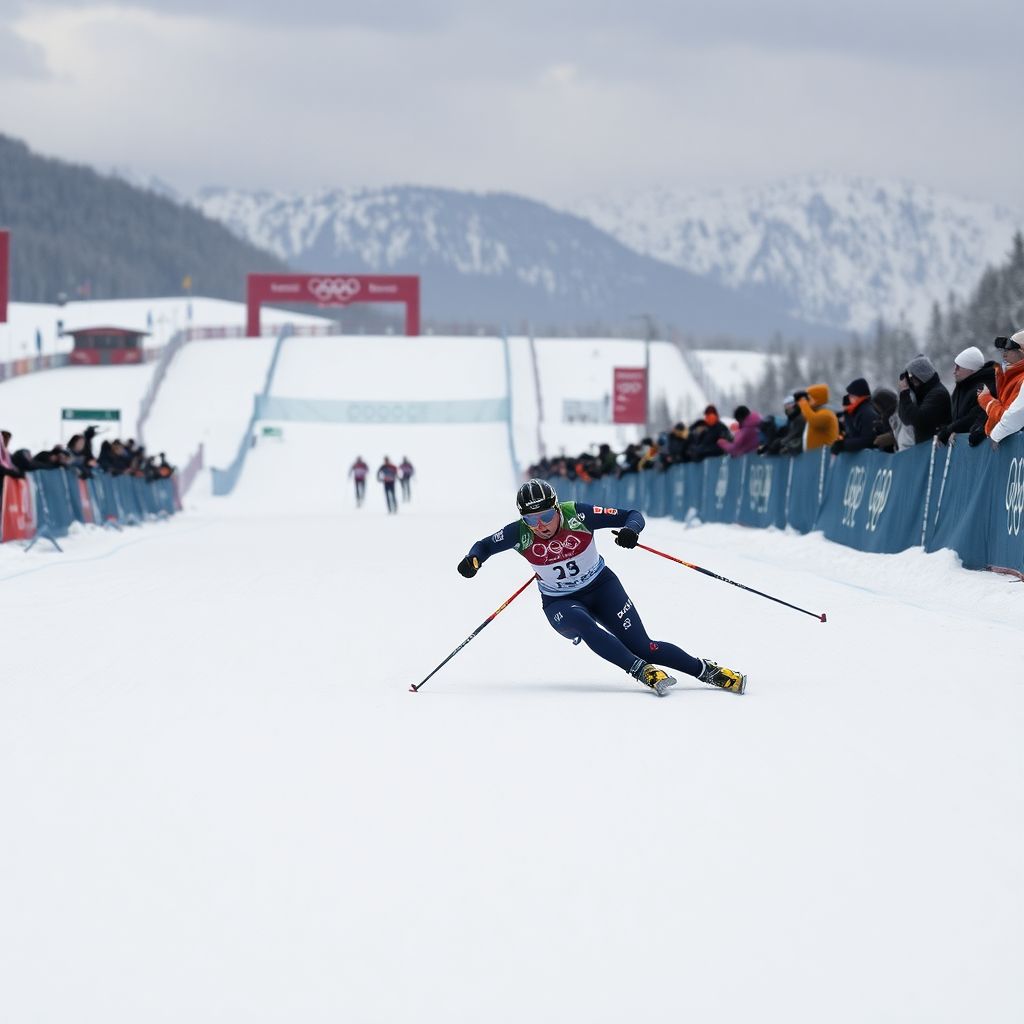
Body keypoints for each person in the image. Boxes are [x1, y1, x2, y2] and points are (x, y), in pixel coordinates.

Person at [456, 478, 747, 698]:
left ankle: (706, 670)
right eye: (532, 520)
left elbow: (632, 514)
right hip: (560, 603)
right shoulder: (518, 533)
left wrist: (632, 531)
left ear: (557, 508)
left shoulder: (578, 515)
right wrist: (473, 560)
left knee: (645, 647)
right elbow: (483, 546)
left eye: (546, 516)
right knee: (582, 621)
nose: (541, 525)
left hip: (602, 587)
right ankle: (639, 670)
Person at [936, 346, 997, 445]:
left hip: (976, 448)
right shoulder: (961, 386)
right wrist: (944, 429)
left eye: (959, 367)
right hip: (961, 450)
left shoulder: (984, 387)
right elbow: (953, 416)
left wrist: (949, 431)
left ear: (971, 369)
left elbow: (974, 417)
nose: (954, 371)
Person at [974, 331, 1024, 447]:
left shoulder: (1020, 380)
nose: (1004, 355)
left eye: (1008, 350)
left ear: (1021, 352)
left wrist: (986, 400)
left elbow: (1011, 416)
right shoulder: (1009, 377)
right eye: (1003, 350)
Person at [897, 354, 951, 444]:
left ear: (921, 375)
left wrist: (904, 394)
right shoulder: (922, 393)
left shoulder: (938, 394)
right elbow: (906, 419)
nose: (911, 380)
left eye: (912, 376)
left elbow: (919, 420)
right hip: (927, 449)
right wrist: (904, 394)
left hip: (938, 450)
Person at [830, 378, 881, 454]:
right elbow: (853, 434)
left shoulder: (867, 412)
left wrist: (843, 445)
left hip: (870, 460)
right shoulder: (858, 410)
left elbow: (868, 440)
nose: (849, 398)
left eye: (851, 396)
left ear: (858, 396)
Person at [793, 385, 840, 450]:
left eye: (809, 398)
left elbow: (814, 421)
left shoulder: (827, 414)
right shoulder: (816, 413)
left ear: (817, 399)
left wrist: (803, 403)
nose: (807, 401)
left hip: (823, 456)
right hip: (816, 455)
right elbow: (805, 415)